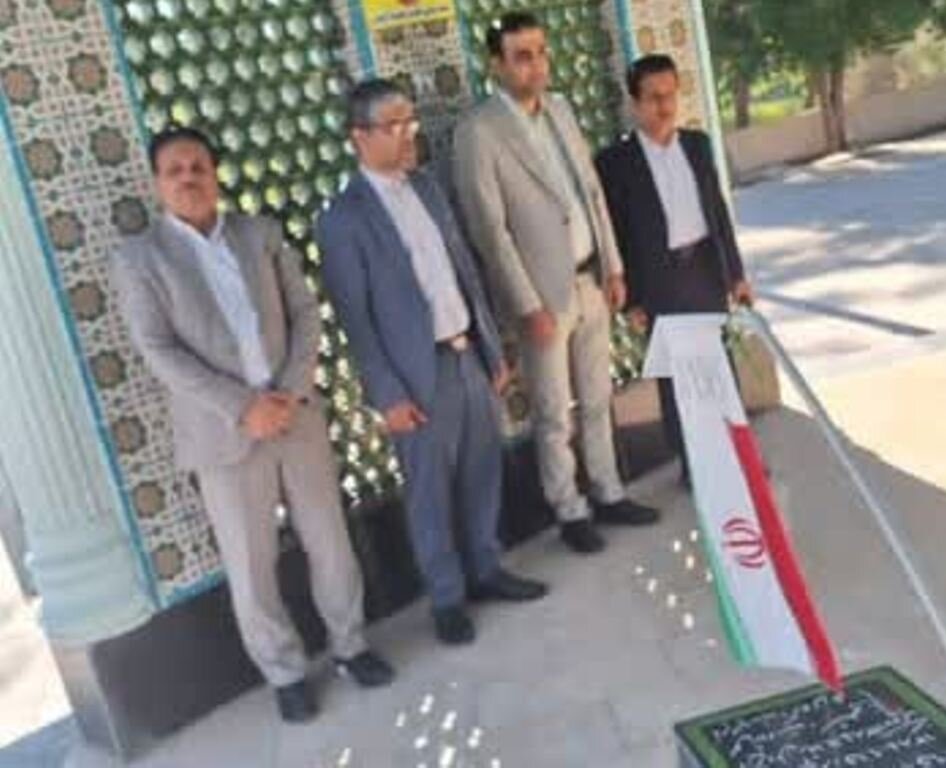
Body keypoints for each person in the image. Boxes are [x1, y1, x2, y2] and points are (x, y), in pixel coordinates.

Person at [112, 127, 393, 724]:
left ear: (215, 173)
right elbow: (158, 349)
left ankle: (351, 646)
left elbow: (305, 313)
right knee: (251, 562)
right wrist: (244, 406)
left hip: (296, 414)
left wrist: (288, 390)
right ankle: (285, 673)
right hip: (224, 433)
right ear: (157, 183)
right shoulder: (141, 259)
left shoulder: (258, 233)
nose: (189, 177)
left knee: (330, 542)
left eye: (198, 166)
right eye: (175, 170)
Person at [316, 80, 548, 647]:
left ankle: (486, 568)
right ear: (359, 137)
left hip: (468, 356)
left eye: (410, 121)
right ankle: (446, 597)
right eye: (393, 125)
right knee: (429, 492)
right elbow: (356, 320)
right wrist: (387, 394)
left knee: (482, 471)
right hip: (417, 377)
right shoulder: (343, 219)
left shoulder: (427, 188)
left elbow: (464, 270)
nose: (408, 135)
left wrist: (491, 347)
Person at [452, 11, 659, 556]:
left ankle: (609, 491)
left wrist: (614, 266)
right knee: (552, 412)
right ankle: (568, 507)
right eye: (522, 56)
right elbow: (489, 230)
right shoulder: (478, 132)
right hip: (541, 297)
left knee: (597, 397)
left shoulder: (561, 110)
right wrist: (527, 305)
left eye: (541, 52)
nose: (536, 65)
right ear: (496, 65)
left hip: (590, 278)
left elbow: (590, 192)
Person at [595, 54, 753, 487]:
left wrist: (736, 274)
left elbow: (718, 214)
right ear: (635, 103)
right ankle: (695, 468)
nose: (665, 106)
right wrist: (633, 300)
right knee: (677, 380)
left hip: (704, 270)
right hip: (658, 283)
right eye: (654, 98)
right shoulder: (616, 163)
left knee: (719, 369)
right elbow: (616, 234)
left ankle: (738, 459)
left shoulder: (697, 146)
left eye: (670, 95)